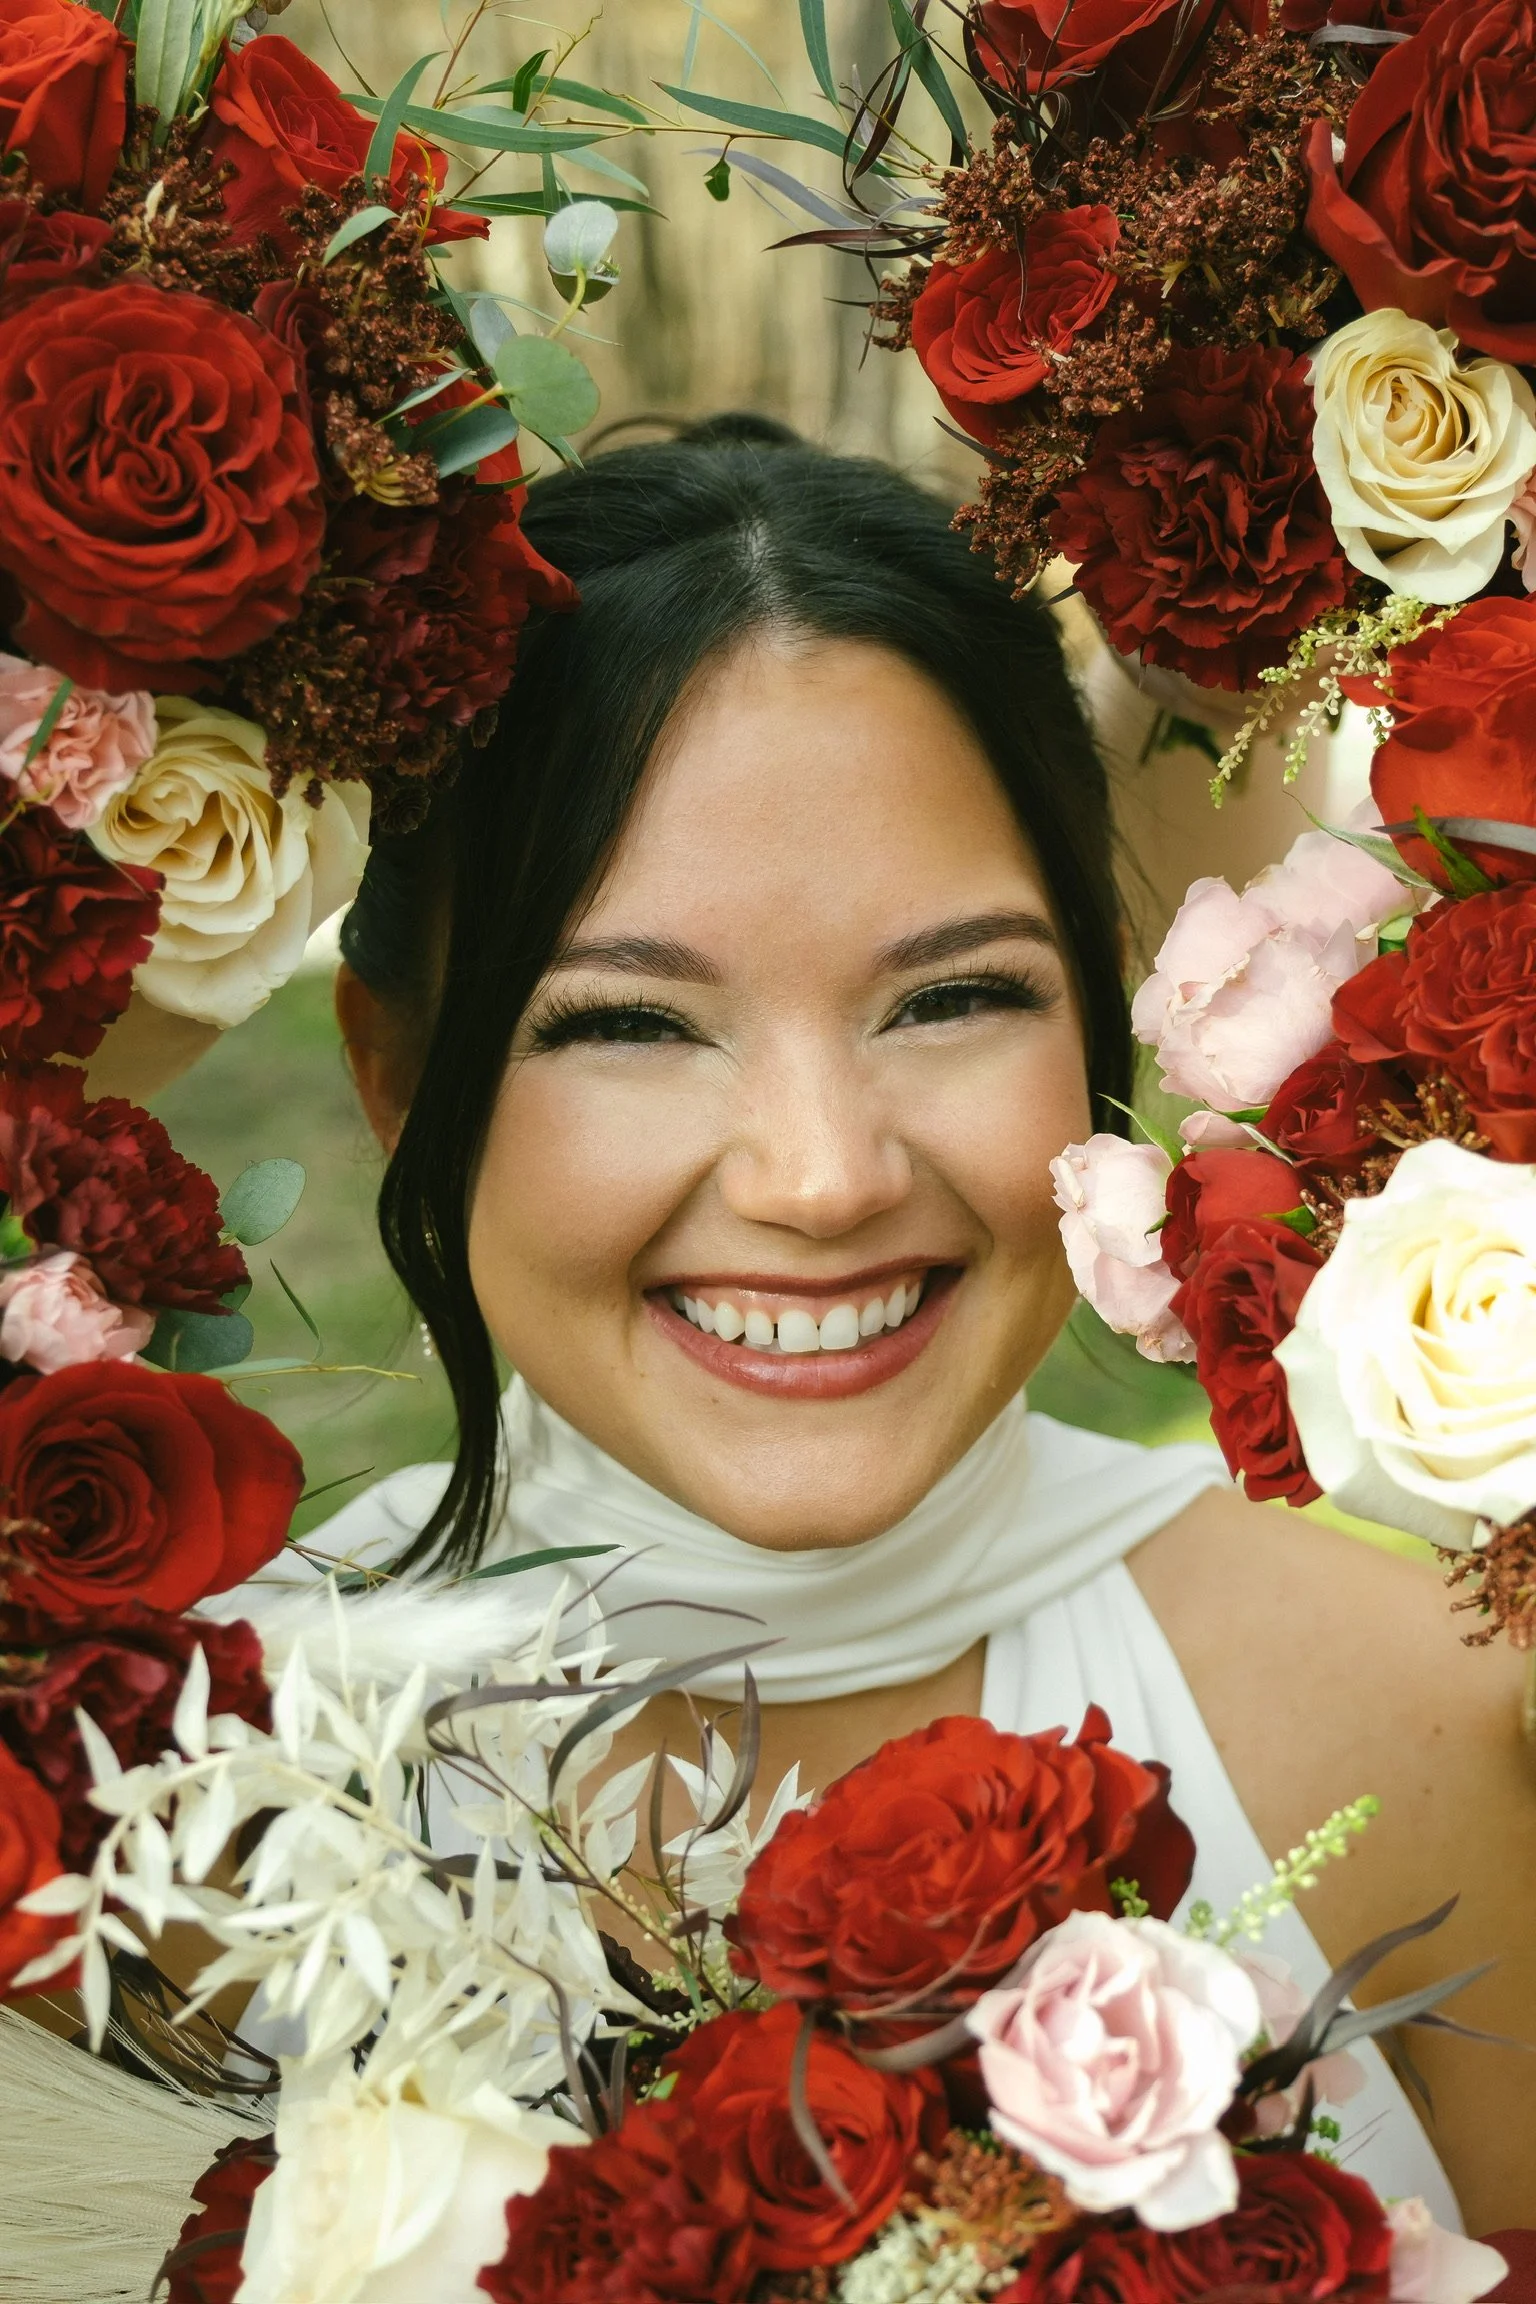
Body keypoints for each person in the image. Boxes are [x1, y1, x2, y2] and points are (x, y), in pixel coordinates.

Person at [320, 415, 1536, 2234]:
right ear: (399, 1076)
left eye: (953, 998)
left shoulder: (1425, 1717)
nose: (823, 1179)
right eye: (631, 1023)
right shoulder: (176, 1808)